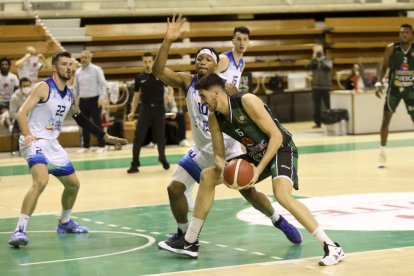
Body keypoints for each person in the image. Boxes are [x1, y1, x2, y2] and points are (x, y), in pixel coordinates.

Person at [159, 72, 345, 266]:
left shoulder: (247, 101)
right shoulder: (215, 119)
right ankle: (190, 241)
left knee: (281, 194)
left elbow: (276, 136)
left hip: (281, 149)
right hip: (255, 155)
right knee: (208, 176)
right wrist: (227, 172)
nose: (202, 102)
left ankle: (332, 246)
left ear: (215, 93)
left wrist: (257, 171)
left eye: (204, 96)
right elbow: (218, 156)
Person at [154, 14, 301, 252]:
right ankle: (184, 234)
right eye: (198, 58)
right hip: (201, 151)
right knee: (174, 189)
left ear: (216, 66)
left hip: (229, 151)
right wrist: (168, 40)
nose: (201, 61)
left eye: (207, 58)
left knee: (250, 194)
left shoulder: (226, 89)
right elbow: (158, 70)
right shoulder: (186, 82)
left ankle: (278, 220)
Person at [7, 51, 127, 248]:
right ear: (54, 67)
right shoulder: (43, 87)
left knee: (73, 185)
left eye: (71, 64)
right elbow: (21, 113)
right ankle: (19, 230)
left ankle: (65, 222)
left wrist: (105, 137)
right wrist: (28, 134)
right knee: (41, 181)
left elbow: (81, 119)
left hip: (52, 144)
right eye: (64, 64)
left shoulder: (69, 94)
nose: (69, 68)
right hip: (35, 140)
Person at [375, 24, 414, 168]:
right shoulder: (391, 48)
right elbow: (384, 66)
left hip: (411, 90)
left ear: (411, 35)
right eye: (401, 32)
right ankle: (382, 154)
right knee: (385, 120)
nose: (403, 35)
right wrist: (378, 82)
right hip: (394, 90)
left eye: (406, 32)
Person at [126, 52, 170, 173]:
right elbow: (136, 96)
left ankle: (162, 158)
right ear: (143, 62)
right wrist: (132, 111)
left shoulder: (160, 75)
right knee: (138, 137)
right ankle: (134, 163)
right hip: (145, 109)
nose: (147, 64)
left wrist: (170, 96)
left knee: (161, 137)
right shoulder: (139, 78)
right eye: (145, 62)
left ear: (153, 62)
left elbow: (170, 87)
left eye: (150, 61)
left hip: (159, 109)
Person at [73, 50, 107, 153]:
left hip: (95, 99)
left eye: (86, 57)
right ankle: (86, 146)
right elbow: (75, 88)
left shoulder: (96, 69)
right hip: (83, 100)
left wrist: (102, 97)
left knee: (97, 123)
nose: (84, 59)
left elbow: (103, 84)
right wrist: (75, 101)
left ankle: (102, 145)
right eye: (82, 57)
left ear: (90, 58)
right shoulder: (78, 72)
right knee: (84, 124)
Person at [305, 44, 333, 128]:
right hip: (316, 87)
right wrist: (314, 59)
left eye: (319, 51)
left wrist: (321, 60)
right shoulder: (313, 61)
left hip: (326, 87)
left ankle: (331, 121)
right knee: (316, 107)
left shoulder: (327, 60)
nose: (318, 53)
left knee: (329, 105)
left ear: (322, 51)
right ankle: (318, 123)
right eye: (316, 51)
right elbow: (307, 67)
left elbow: (328, 68)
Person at [0, 57, 19, 132]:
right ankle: (11, 128)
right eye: (2, 64)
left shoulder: (13, 77)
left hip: (11, 101)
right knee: (6, 114)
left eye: (6, 64)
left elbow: (17, 91)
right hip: (1, 103)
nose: (4, 66)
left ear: (9, 66)